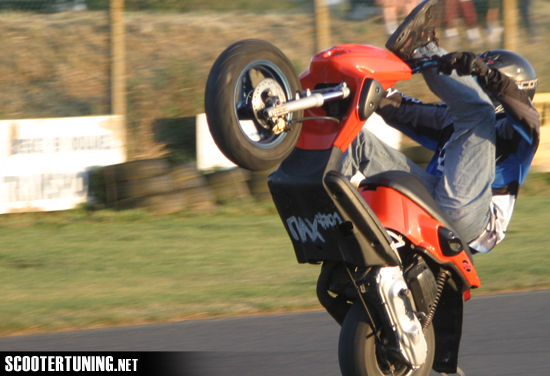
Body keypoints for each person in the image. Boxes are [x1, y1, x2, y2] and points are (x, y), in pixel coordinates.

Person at [340, 0, 540, 253]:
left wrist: (488, 77)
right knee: (356, 141)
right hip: (433, 203)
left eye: (478, 76)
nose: (473, 80)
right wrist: (353, 87)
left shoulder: (520, 138)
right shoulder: (454, 120)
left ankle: (422, 46)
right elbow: (403, 112)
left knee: (479, 113)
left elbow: (526, 114)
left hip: (473, 221)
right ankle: (330, 216)